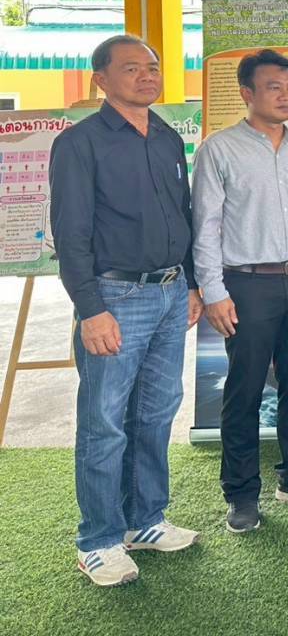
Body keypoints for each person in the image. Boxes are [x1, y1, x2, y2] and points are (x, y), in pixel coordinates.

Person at [50, 35, 204, 587]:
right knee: (105, 421)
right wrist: (90, 309)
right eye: (132, 68)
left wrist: (191, 283)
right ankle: (98, 541)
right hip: (114, 298)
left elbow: (183, 213)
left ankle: (145, 520)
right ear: (101, 80)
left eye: (153, 67)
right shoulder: (80, 143)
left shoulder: (165, 136)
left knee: (156, 413)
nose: (147, 76)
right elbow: (71, 234)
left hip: (171, 293)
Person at [192, 49, 288, 534]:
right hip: (247, 283)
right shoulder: (220, 149)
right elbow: (205, 225)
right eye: (274, 87)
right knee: (245, 388)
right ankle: (241, 493)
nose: (286, 96)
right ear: (247, 93)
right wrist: (213, 290)